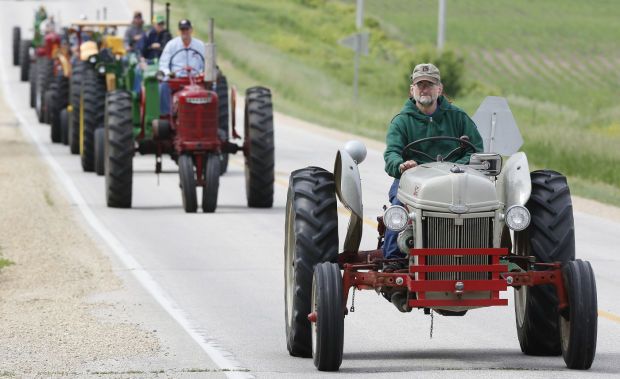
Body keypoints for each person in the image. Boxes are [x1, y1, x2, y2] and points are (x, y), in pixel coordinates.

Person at [382, 63, 484, 272]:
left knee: (483, 206)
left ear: (440, 89)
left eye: (430, 84)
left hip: (455, 179)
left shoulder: (458, 117)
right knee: (398, 208)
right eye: (420, 85)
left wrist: (457, 166)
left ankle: (479, 256)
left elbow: (476, 151)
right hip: (411, 182)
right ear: (412, 90)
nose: (424, 89)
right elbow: (391, 153)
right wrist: (401, 165)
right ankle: (393, 260)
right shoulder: (401, 122)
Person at [158, 19, 205, 115]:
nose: (185, 32)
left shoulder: (200, 45)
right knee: (163, 87)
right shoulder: (171, 45)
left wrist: (201, 73)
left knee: (212, 88)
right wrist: (169, 74)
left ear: (191, 30)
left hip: (196, 80)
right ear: (179, 31)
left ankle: (208, 115)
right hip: (176, 80)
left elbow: (206, 64)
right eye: (182, 30)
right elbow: (163, 64)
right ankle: (166, 115)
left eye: (187, 29)